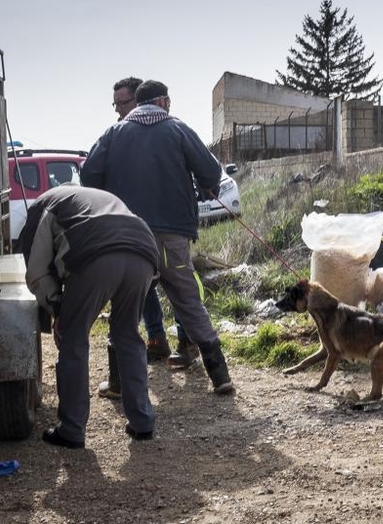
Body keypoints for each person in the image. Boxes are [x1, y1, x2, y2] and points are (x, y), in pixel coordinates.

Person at [81, 80, 235, 395]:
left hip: (129, 238)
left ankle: (118, 383)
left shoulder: (114, 133)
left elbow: (88, 174)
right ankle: (220, 376)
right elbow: (210, 170)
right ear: (163, 101)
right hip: (171, 238)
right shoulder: (179, 130)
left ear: (138, 104)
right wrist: (205, 185)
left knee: (126, 305)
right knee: (189, 300)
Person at [18, 184, 160, 447]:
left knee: (73, 338)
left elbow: (36, 272)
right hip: (144, 253)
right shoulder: (91, 198)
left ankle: (71, 429)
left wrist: (57, 309)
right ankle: (143, 422)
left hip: (96, 255)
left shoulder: (41, 207)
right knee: (127, 334)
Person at [96, 78, 195, 401]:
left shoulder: (167, 130)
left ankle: (186, 342)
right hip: (135, 226)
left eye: (123, 104)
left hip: (166, 225)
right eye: (116, 105)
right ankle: (156, 340)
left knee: (178, 284)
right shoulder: (118, 134)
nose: (120, 110)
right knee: (141, 286)